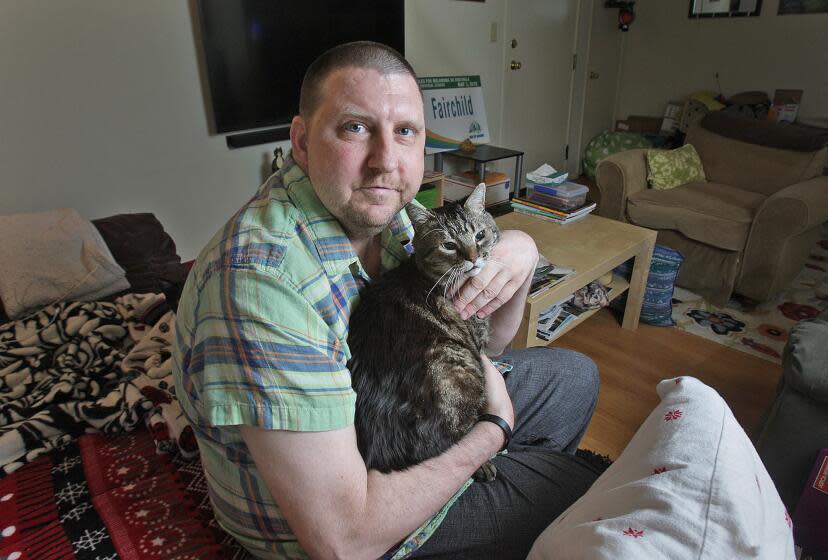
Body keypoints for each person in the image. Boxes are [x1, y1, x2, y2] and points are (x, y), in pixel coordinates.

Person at [172, 41, 601, 560]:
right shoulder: (261, 284)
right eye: (355, 127)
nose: (386, 162)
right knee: (589, 495)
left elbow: (488, 343)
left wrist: (522, 254)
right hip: (353, 528)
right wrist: (491, 434)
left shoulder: (392, 215)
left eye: (405, 132)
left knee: (578, 378)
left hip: (396, 420)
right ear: (302, 142)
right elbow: (343, 544)